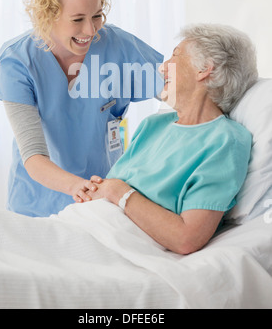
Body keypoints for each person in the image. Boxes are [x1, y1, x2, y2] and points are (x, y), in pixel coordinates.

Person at [0, 0, 163, 218]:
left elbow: (177, 89)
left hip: (103, 201)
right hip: (38, 207)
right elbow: (33, 156)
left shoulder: (118, 47)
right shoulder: (17, 62)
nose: (90, 30)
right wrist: (79, 188)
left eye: (97, 16)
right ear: (48, 15)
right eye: (77, 19)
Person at [79, 23, 258, 255]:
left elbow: (186, 238)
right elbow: (113, 189)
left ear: (204, 69)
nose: (162, 69)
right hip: (85, 227)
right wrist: (96, 191)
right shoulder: (153, 125)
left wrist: (117, 191)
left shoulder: (226, 141)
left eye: (175, 55)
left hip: (115, 247)